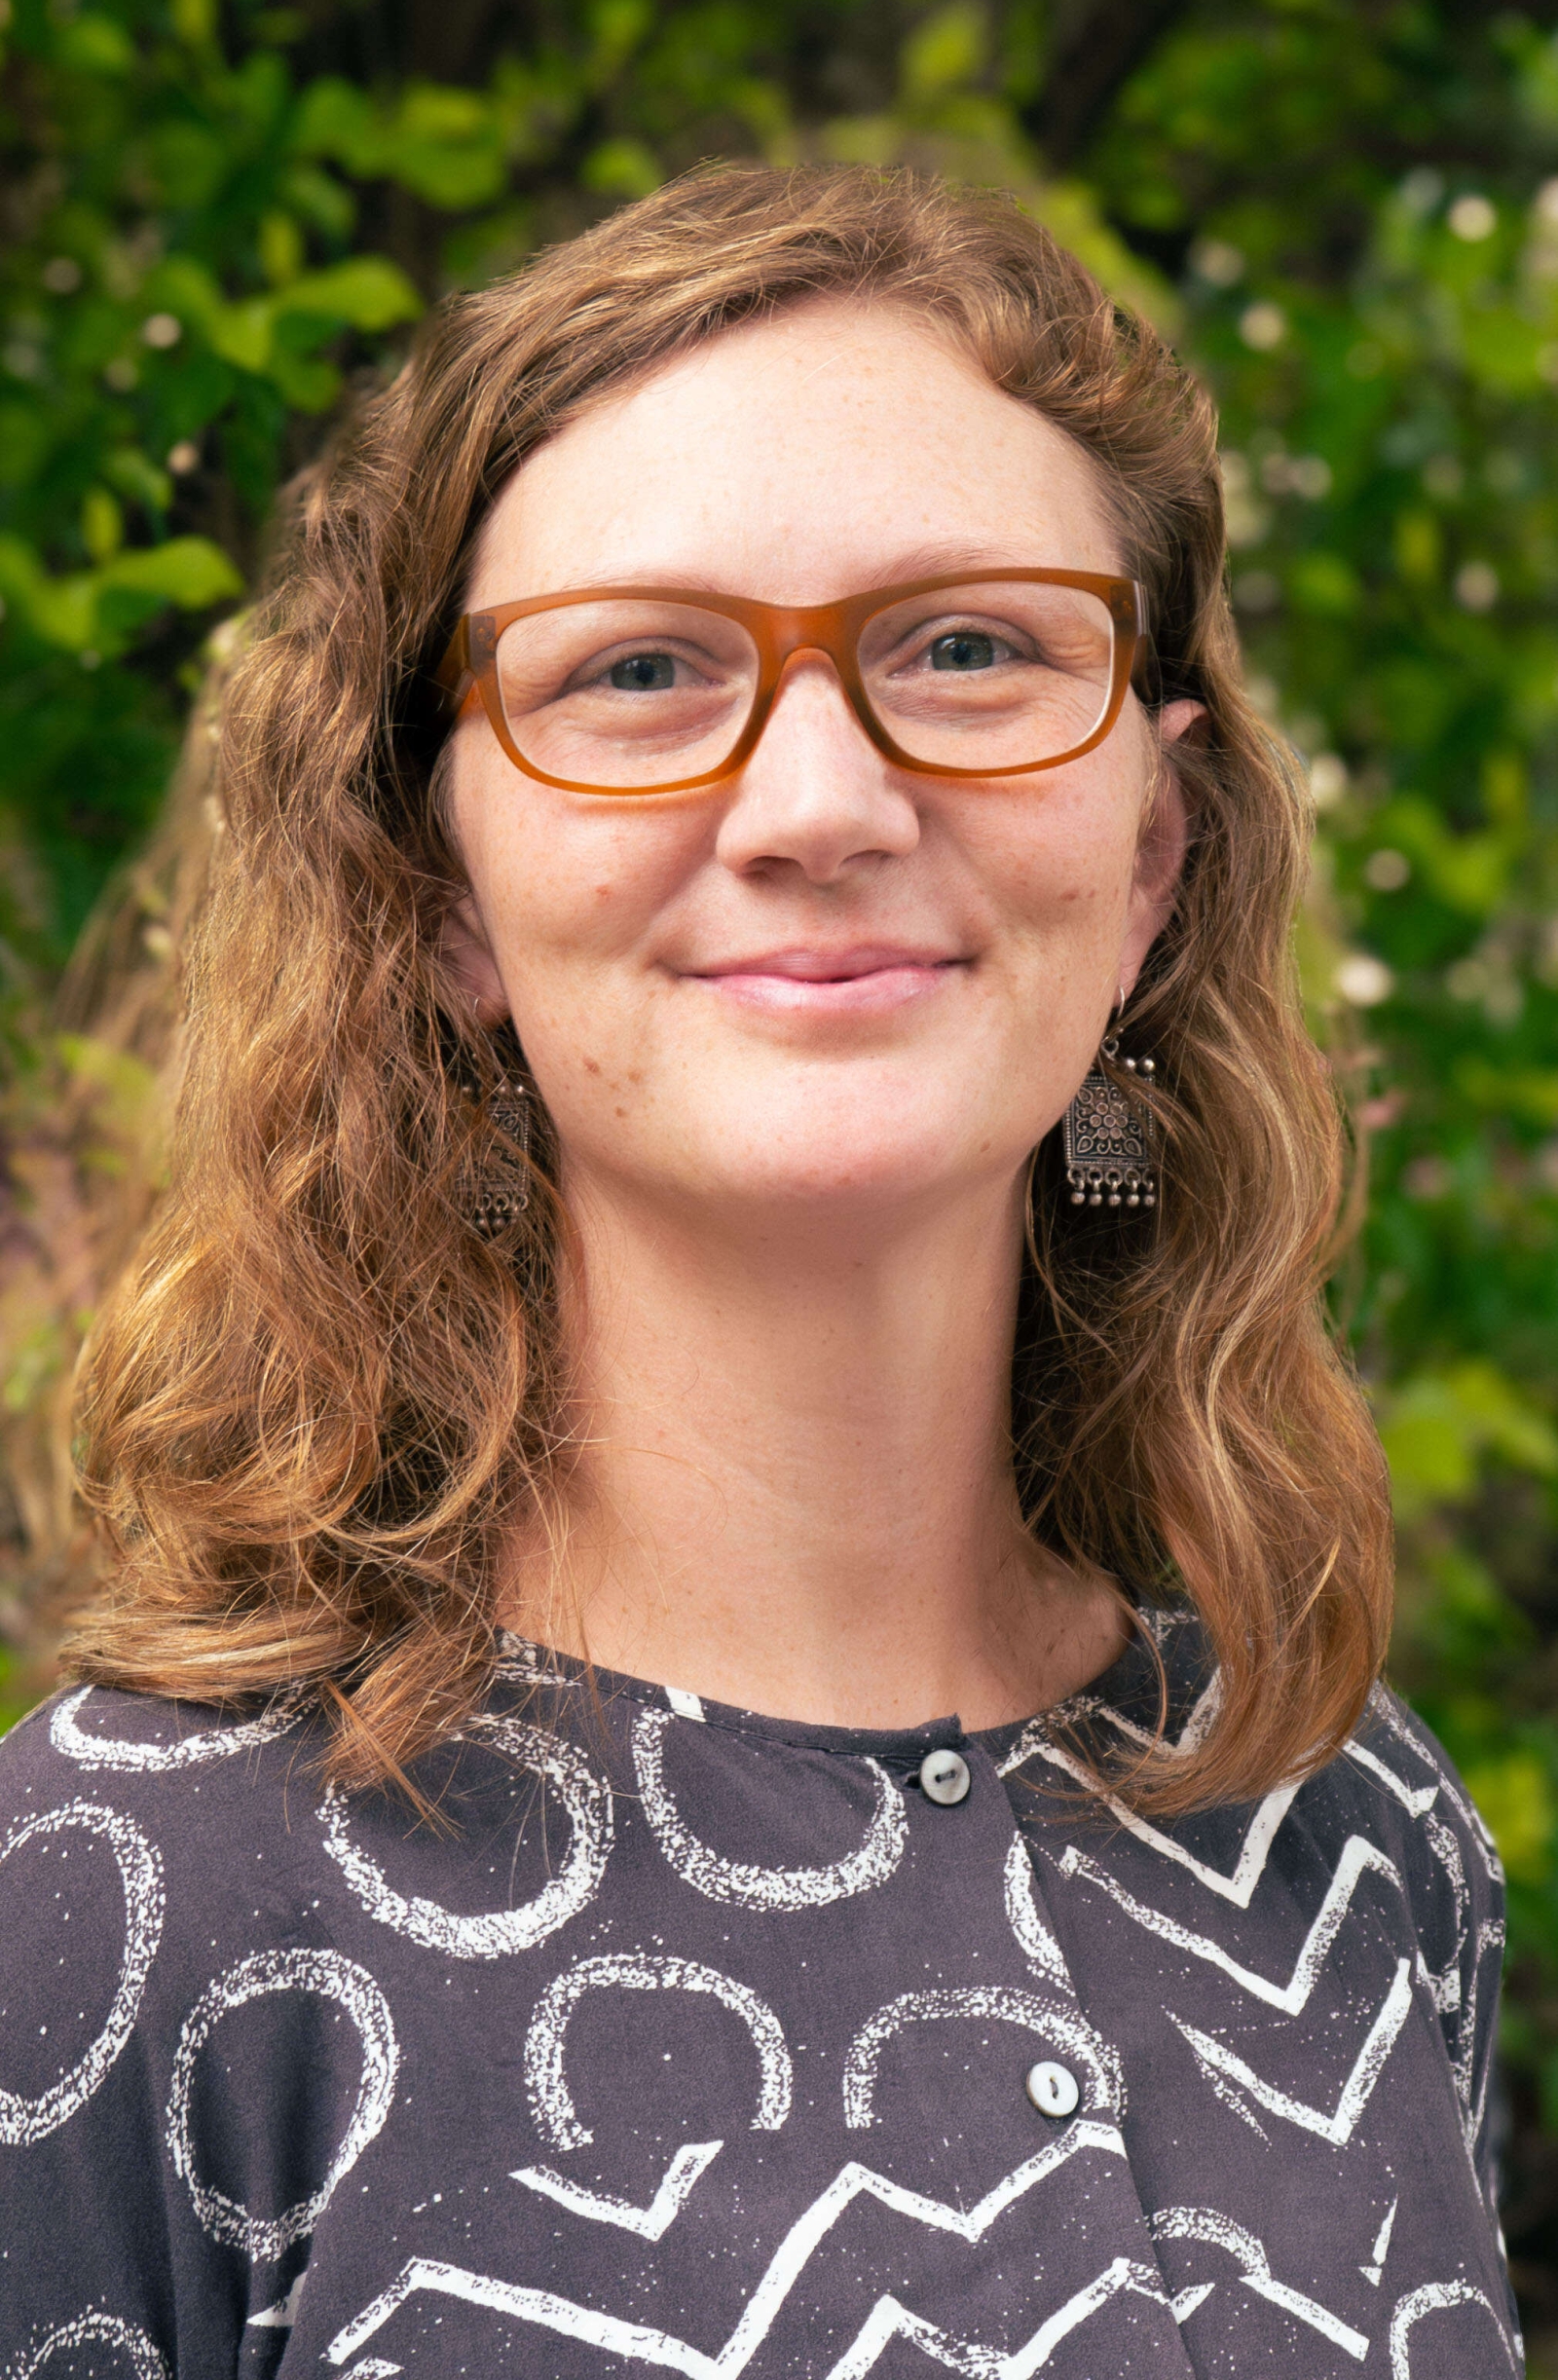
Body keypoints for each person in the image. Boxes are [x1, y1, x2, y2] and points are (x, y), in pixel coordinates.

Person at [0, 167, 1517, 2378]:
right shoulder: (116, 1902)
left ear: (1151, 860)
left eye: (967, 648)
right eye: (636, 670)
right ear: (442, 891)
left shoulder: (1348, 1826)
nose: (817, 797)